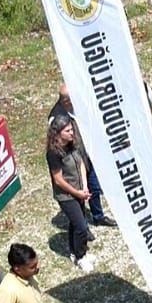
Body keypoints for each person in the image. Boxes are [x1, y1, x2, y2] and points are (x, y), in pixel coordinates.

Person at [47, 84, 110, 227]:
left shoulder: (78, 107)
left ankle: (98, 216)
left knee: (93, 186)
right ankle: (82, 226)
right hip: (70, 161)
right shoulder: (57, 116)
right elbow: (54, 140)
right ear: (66, 101)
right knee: (77, 193)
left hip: (86, 154)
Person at [45, 116, 94, 273]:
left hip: (80, 190)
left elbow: (80, 163)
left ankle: (76, 251)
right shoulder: (53, 153)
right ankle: (80, 257)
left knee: (75, 223)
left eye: (72, 129)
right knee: (81, 226)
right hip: (66, 196)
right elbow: (58, 180)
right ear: (57, 133)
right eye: (68, 131)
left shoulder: (72, 145)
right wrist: (77, 193)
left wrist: (84, 187)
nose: (72, 133)